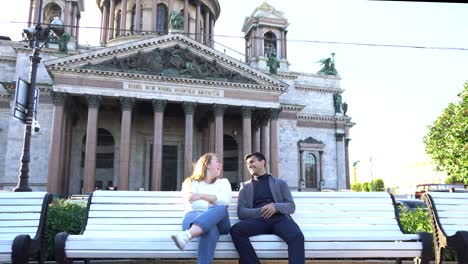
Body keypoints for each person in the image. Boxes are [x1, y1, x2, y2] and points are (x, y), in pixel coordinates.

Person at [230, 152, 305, 264]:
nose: (249, 165)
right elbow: (241, 212)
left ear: (262, 162)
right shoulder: (245, 187)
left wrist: (275, 207)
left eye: (252, 162)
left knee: (297, 236)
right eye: (247, 164)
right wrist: (261, 211)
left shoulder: (280, 183)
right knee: (236, 230)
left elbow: (291, 206)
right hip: (258, 221)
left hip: (279, 219)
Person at [171, 153, 232, 264]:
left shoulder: (224, 182)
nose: (221, 164)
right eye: (217, 161)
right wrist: (213, 203)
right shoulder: (191, 182)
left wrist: (200, 196)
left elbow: (226, 200)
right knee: (210, 228)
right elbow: (194, 205)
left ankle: (187, 236)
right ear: (207, 164)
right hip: (192, 218)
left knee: (222, 208)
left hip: (221, 223)